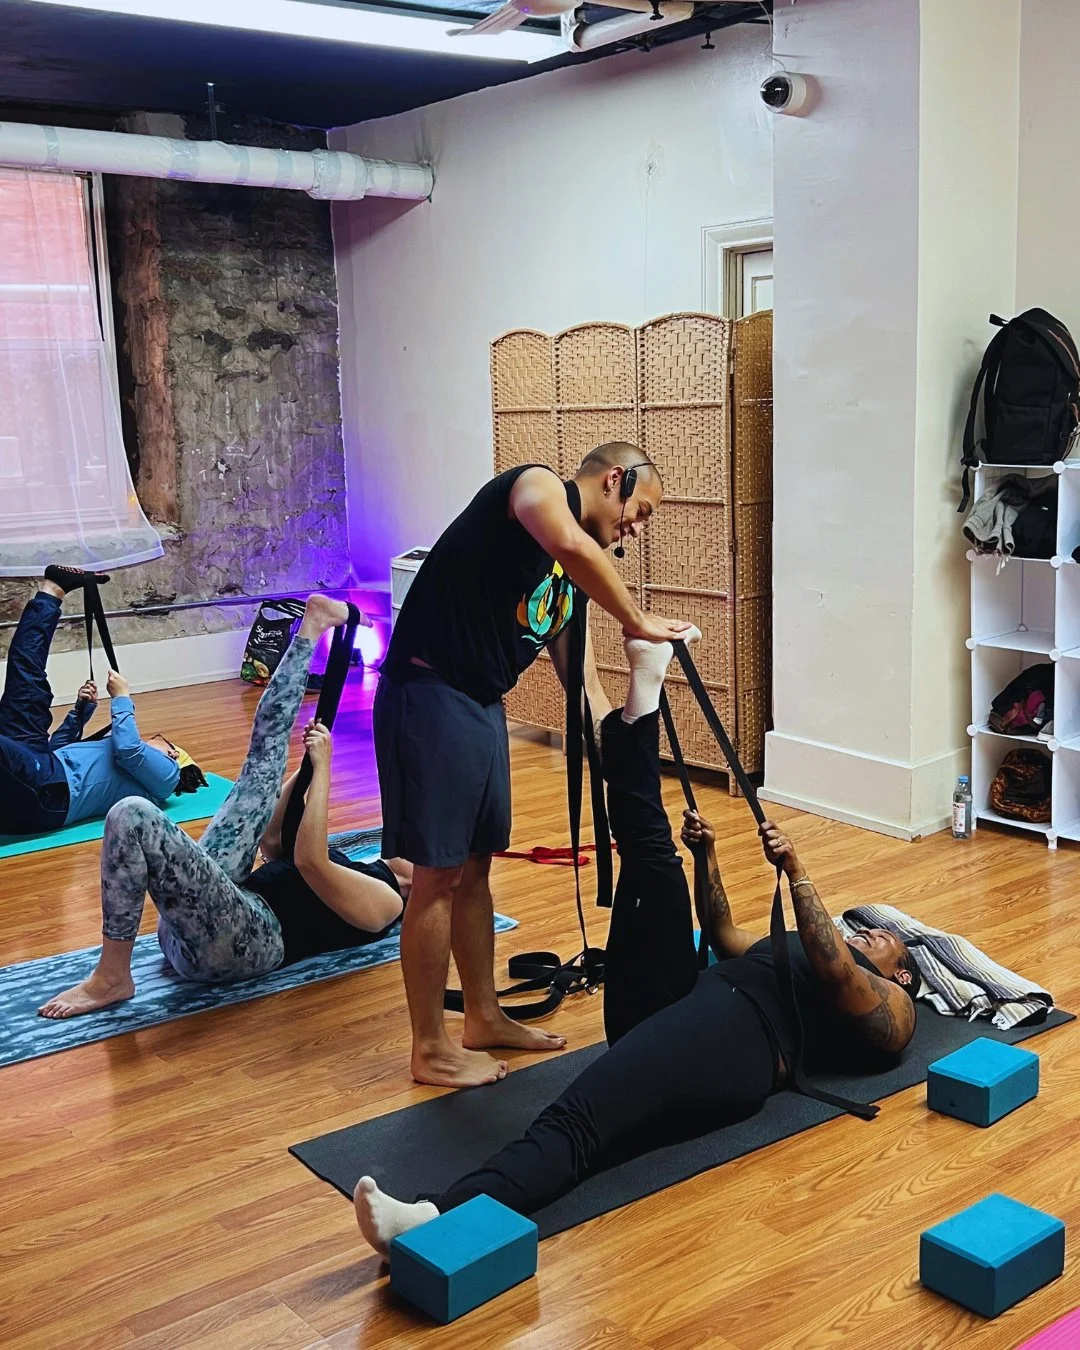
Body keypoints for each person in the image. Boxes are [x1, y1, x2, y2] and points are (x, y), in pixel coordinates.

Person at [353, 634, 920, 1253]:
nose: (873, 932)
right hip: (683, 1001)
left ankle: (434, 1216)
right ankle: (643, 694)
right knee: (653, 855)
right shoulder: (802, 951)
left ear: (904, 974)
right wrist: (708, 858)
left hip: (733, 1042)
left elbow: (838, 974)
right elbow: (724, 935)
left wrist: (800, 874)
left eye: (887, 939)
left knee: (579, 1124)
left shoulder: (896, 1010)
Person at [376, 443, 692, 1088]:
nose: (637, 529)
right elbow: (572, 545)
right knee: (437, 877)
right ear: (615, 480)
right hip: (429, 693)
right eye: (640, 511)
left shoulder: (569, 584)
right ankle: (429, 1047)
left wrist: (620, 753)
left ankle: (483, 1016)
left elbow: (582, 685)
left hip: (480, 702)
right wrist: (639, 619)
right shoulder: (537, 487)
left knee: (475, 868)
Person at [39, 594, 411, 1019]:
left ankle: (112, 978)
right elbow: (274, 840)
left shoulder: (388, 903)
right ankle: (312, 626)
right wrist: (305, 770)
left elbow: (310, 862)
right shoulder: (360, 866)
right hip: (213, 914)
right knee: (262, 765)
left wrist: (323, 770)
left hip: (240, 944)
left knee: (133, 814)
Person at [0, 566, 202, 836]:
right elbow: (57, 749)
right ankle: (52, 590)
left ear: (173, 752)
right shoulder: (133, 764)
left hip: (49, 796)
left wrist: (122, 697)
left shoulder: (167, 776)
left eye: (159, 739)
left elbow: (129, 749)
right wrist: (79, 714)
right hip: (45, 767)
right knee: (25, 677)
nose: (149, 738)